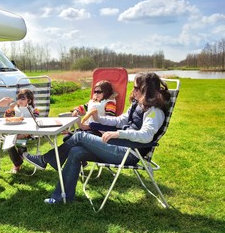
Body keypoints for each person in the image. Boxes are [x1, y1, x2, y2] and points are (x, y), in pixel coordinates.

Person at [23, 72, 171, 204]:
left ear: (147, 90)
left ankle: (46, 160)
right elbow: (120, 121)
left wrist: (119, 134)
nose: (133, 91)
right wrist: (99, 119)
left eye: (137, 88)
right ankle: (62, 197)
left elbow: (146, 136)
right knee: (75, 151)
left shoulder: (155, 111)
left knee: (80, 136)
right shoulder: (138, 105)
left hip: (129, 153)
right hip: (120, 147)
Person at [4, 89, 39, 173]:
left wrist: (25, 133)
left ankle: (16, 165)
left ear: (29, 100)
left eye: (23, 99)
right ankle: (17, 162)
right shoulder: (15, 109)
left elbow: (36, 121)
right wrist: (10, 109)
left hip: (28, 132)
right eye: (19, 98)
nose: (19, 101)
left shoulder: (34, 109)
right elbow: (7, 117)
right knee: (8, 142)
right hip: (14, 131)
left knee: (20, 141)